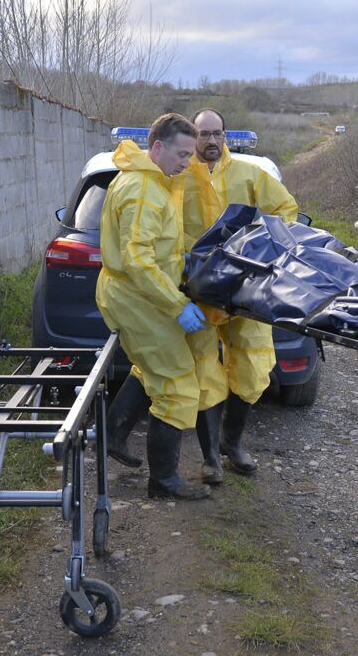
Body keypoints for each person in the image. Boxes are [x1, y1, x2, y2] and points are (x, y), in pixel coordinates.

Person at [105, 108, 299, 485]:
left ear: (227, 136)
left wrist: (262, 250)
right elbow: (146, 247)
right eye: (203, 135)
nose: (210, 142)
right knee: (199, 370)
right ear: (190, 140)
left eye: (217, 134)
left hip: (246, 287)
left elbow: (285, 211)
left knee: (254, 366)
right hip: (191, 290)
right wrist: (179, 290)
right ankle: (210, 458)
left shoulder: (249, 173)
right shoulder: (172, 177)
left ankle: (232, 443)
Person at [95, 113, 227, 501]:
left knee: (155, 367)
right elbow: (137, 261)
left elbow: (153, 248)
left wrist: (181, 261)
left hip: (140, 294)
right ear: (157, 148)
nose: (188, 162)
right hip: (137, 298)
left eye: (191, 155)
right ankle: (164, 480)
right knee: (178, 384)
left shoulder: (149, 180)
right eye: (182, 153)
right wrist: (176, 306)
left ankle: (114, 433)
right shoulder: (142, 190)